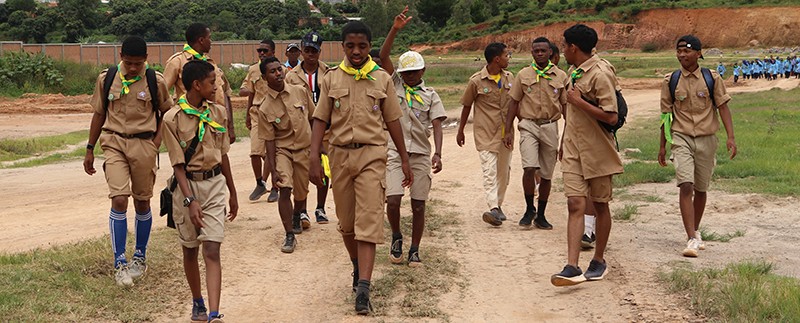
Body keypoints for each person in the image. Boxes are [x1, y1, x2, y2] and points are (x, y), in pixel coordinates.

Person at [309, 21, 412, 315]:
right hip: (340, 157)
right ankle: (357, 266)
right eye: (351, 46)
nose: (356, 51)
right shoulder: (331, 79)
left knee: (368, 221)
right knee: (347, 224)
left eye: (363, 46)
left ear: (369, 47)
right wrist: (314, 156)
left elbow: (393, 120)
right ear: (342, 47)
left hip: (372, 156)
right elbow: (320, 119)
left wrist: (404, 159)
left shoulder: (381, 79)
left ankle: (364, 287)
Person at [83, 36, 172, 287]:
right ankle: (119, 261)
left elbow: (167, 112)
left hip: (144, 144)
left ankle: (139, 257)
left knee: (143, 202)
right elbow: (99, 113)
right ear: (120, 55)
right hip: (114, 143)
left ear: (146, 58)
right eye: (128, 62)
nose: (133, 68)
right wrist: (90, 148)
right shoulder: (107, 78)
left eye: (138, 63)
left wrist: (155, 142)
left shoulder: (156, 80)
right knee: (119, 198)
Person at [163, 60, 238, 323]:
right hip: (187, 186)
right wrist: (190, 200)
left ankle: (215, 313)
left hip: (215, 184)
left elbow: (223, 155)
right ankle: (198, 302)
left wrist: (232, 191)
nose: (216, 86)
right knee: (190, 249)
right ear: (196, 85)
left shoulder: (217, 113)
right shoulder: (171, 119)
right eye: (212, 82)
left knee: (212, 249)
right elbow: (178, 166)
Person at [551, 24, 623, 286]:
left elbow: (612, 116)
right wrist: (563, 140)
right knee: (574, 204)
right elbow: (572, 114)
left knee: (600, 204)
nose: (562, 49)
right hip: (573, 149)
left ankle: (599, 260)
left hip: (598, 150)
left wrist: (579, 102)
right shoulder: (575, 71)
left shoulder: (601, 73)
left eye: (564, 45)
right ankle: (571, 265)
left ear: (573, 47)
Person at [658, 35, 737, 258]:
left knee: (701, 189)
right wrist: (662, 146)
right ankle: (691, 237)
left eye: (687, 51)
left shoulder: (711, 78)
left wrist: (731, 137)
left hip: (707, 138)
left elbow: (722, 107)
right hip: (681, 137)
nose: (682, 55)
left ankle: (695, 229)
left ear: (699, 53)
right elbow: (666, 116)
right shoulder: (670, 80)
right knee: (686, 185)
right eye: (679, 50)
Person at [379, 6, 446, 267]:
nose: (409, 76)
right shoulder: (394, 84)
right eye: (405, 72)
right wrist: (395, 29)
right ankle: (396, 236)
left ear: (423, 71)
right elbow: (383, 55)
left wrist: (438, 153)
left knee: (419, 205)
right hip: (395, 152)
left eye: (414, 72)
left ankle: (415, 248)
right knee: (393, 200)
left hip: (419, 153)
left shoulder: (431, 95)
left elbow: (438, 126)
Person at [503, 36, 565, 230]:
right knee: (529, 168)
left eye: (543, 51)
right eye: (536, 51)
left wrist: (567, 135)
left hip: (550, 126)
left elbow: (565, 106)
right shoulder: (523, 74)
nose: (539, 54)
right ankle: (529, 208)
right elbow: (513, 103)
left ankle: (542, 214)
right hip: (528, 125)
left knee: (546, 175)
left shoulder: (561, 76)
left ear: (550, 53)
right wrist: (508, 130)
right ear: (532, 52)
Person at [256, 56, 316, 253]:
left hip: (304, 149)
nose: (278, 74)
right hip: (283, 150)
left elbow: (314, 119)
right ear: (265, 77)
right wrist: (273, 170)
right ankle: (289, 234)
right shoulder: (264, 107)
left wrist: (318, 148)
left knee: (301, 192)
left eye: (279, 69)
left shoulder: (299, 91)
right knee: (285, 188)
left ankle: (297, 213)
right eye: (272, 72)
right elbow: (269, 141)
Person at [457, 42, 515, 226]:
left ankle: (498, 204)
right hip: (485, 133)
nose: (508, 58)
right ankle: (493, 208)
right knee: (489, 171)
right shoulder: (476, 81)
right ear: (497, 59)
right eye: (507, 55)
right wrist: (460, 130)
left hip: (506, 134)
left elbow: (514, 104)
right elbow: (467, 105)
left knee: (503, 173)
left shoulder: (509, 78)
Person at [285, 31, 331, 226]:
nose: (311, 54)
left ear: (320, 52)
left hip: (326, 128)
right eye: (307, 50)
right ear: (302, 51)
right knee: (302, 170)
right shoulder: (291, 76)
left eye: (315, 50)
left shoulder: (328, 73)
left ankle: (320, 207)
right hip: (302, 128)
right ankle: (302, 210)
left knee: (324, 168)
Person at [164, 23, 236, 144]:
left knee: (216, 157)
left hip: (214, 118)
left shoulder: (210, 64)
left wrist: (230, 125)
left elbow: (224, 94)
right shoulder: (177, 62)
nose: (211, 41)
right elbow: (162, 92)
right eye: (209, 37)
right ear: (201, 40)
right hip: (189, 121)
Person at [242, 38, 280, 203]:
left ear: (273, 52)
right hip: (257, 113)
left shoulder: (279, 69)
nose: (262, 53)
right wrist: (247, 115)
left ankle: (275, 186)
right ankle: (260, 182)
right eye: (259, 51)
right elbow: (251, 92)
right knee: (255, 152)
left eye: (265, 51)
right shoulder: (253, 70)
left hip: (274, 114)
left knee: (273, 153)